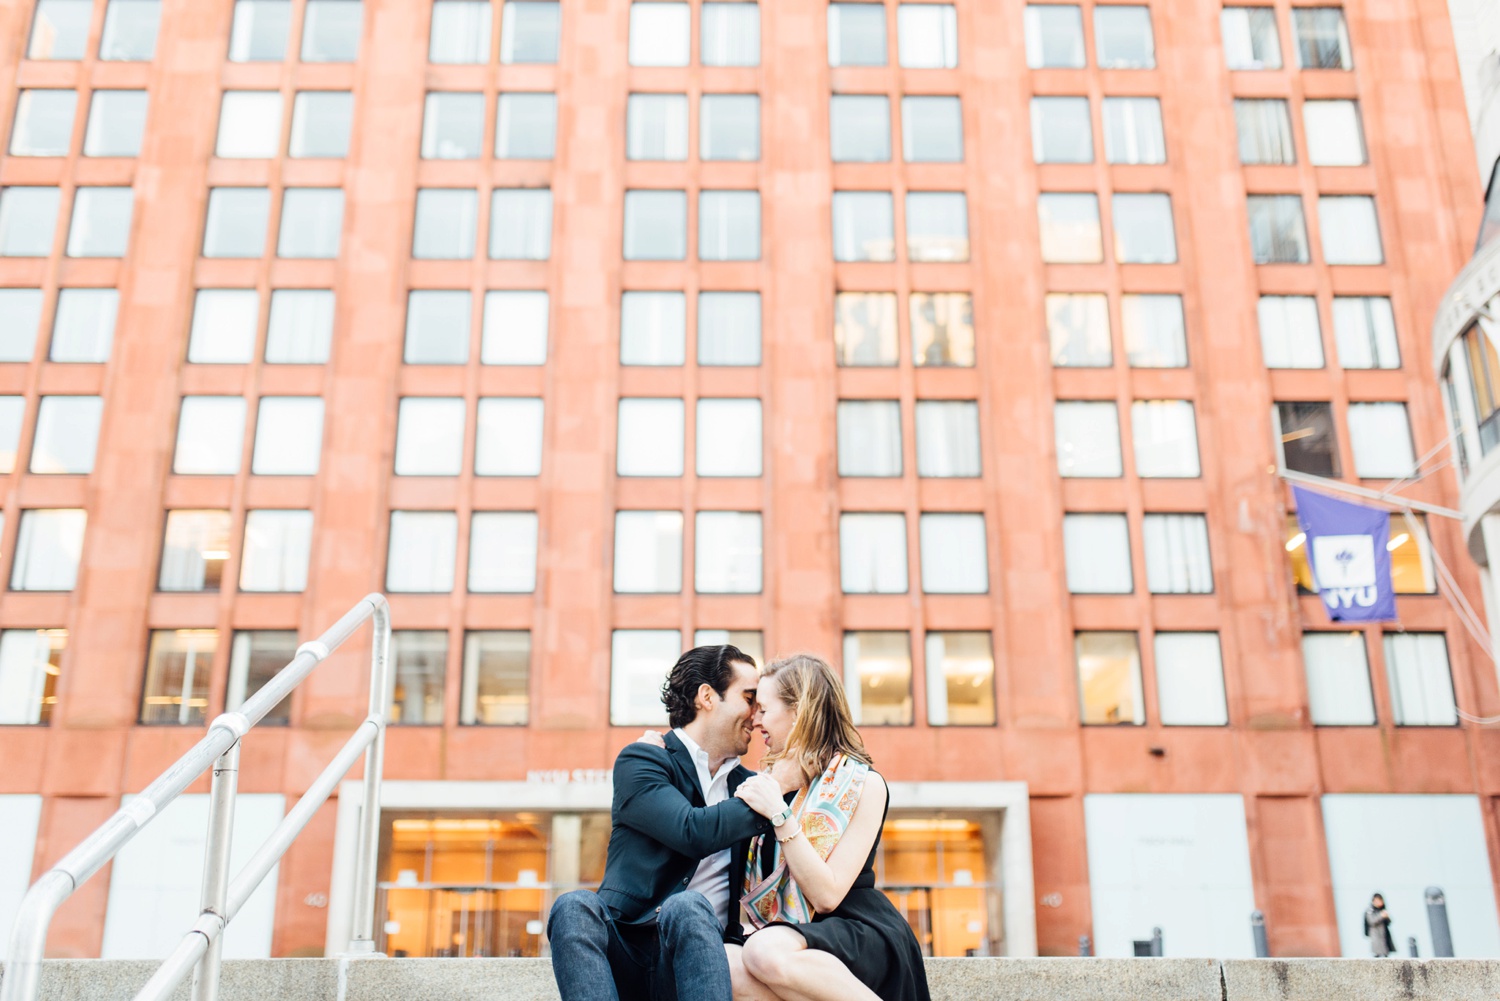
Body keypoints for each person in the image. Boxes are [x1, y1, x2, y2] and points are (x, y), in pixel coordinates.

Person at [547, 644, 795, 1001]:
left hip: (699, 956)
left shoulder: (751, 785)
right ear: (707, 697)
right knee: (572, 906)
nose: (757, 715)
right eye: (749, 698)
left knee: (688, 906)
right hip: (625, 949)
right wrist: (776, 787)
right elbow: (691, 832)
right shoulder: (643, 761)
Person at [729, 654, 931, 1001]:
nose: (755, 719)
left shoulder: (865, 785)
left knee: (763, 952)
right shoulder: (765, 784)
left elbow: (826, 896)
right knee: (727, 964)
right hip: (784, 932)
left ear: (799, 711)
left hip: (855, 927)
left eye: (764, 708)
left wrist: (780, 814)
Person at [1365, 893, 1395, 957]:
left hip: (1384, 934)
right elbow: (1371, 921)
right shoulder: (1370, 911)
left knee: (1386, 952)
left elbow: (1389, 922)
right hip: (1376, 935)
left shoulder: (1382, 910)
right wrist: (1381, 916)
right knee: (1377, 953)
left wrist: (1386, 916)